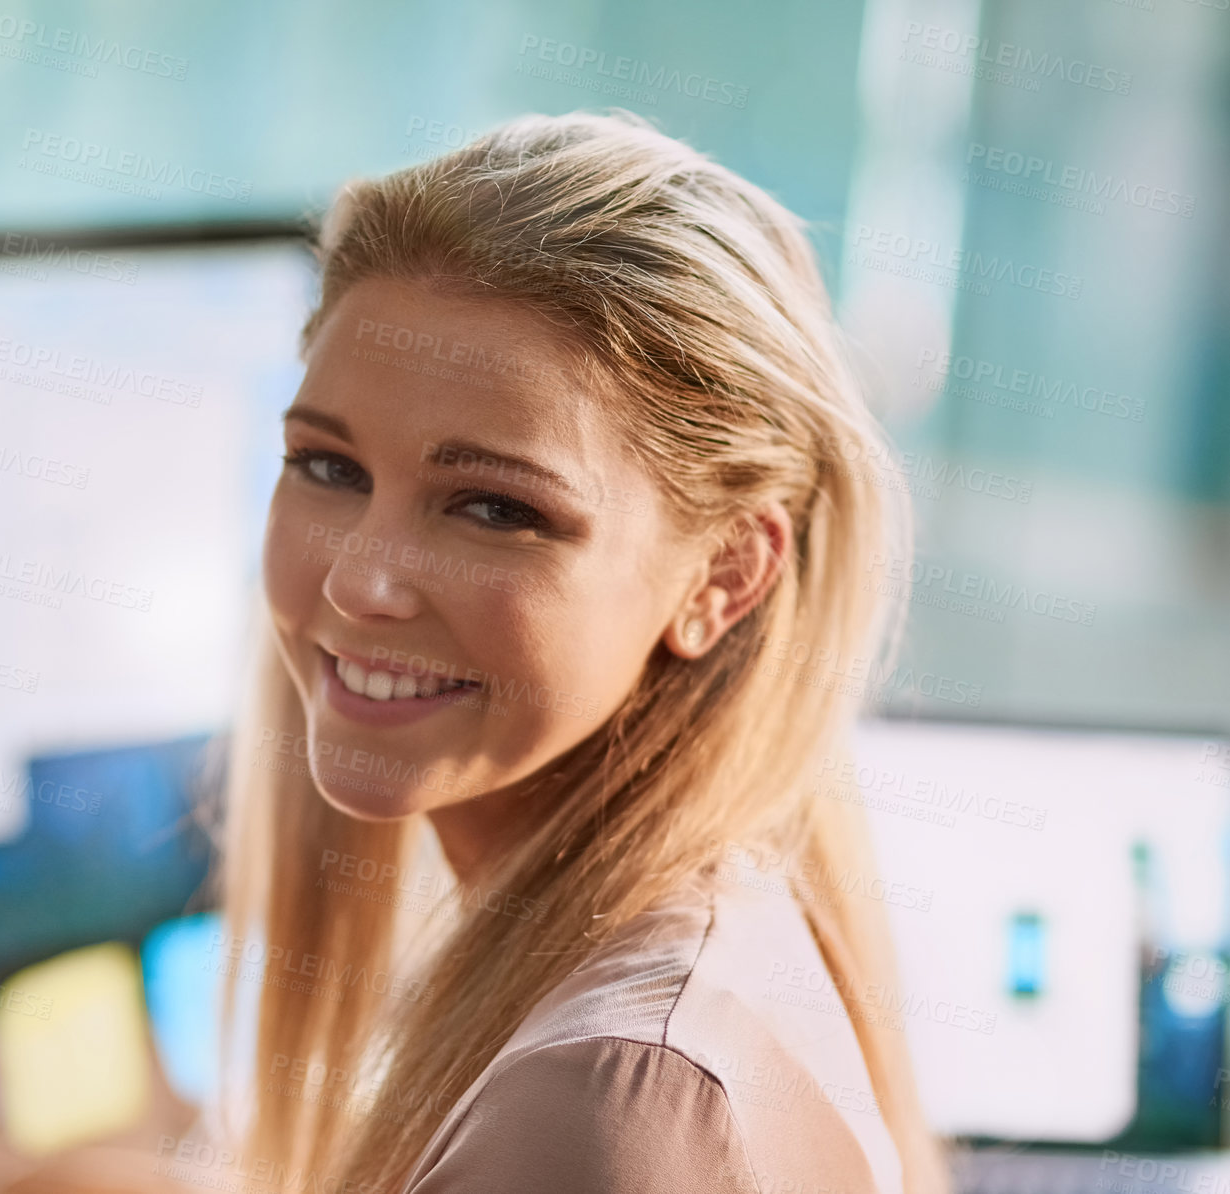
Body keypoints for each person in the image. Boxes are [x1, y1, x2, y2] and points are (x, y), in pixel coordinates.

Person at [209, 110, 947, 1194]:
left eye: (495, 509)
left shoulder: (605, 1105)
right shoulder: (653, 973)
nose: (358, 583)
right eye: (328, 468)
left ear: (723, 577)